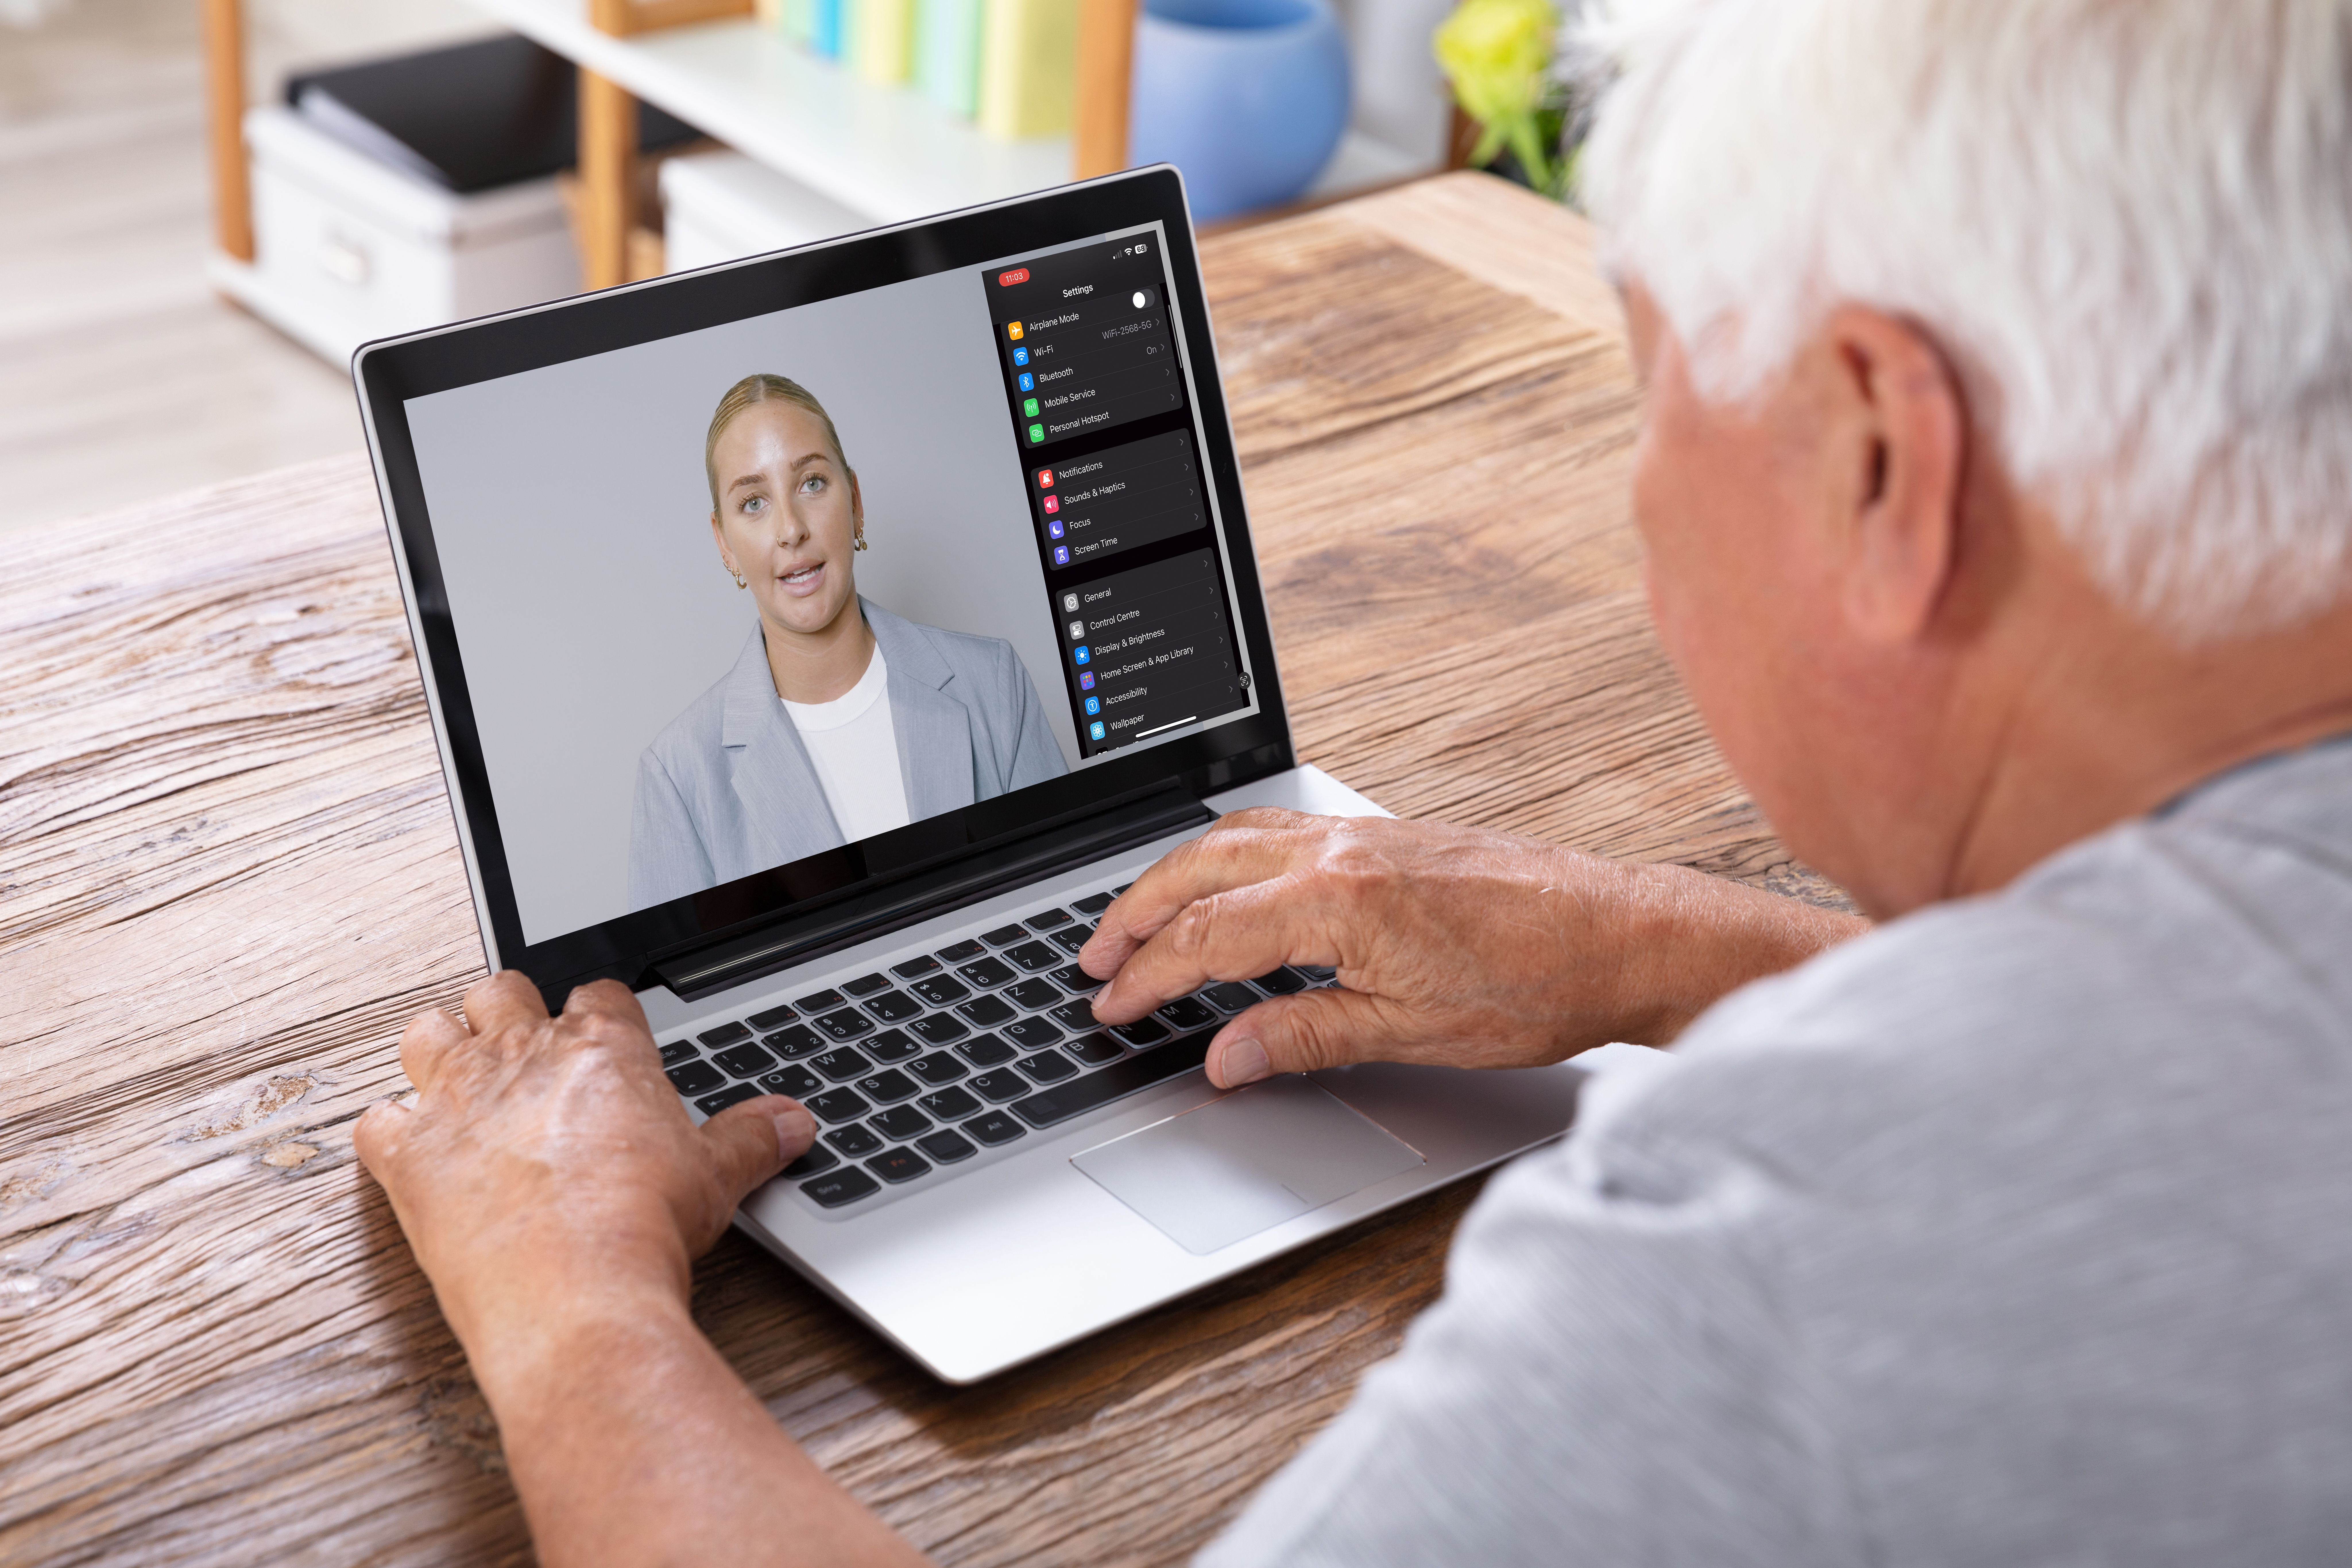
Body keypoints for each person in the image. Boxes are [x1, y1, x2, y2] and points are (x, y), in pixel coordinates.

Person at [354, 1, 2352, 1563]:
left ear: (1875, 463)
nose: (1644, 484)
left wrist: (568, 1308)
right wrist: (1664, 949)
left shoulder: (1785, 1252)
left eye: (1643, 385)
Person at [627, 373, 1067, 908]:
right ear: (725, 544)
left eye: (811, 483)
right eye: (753, 503)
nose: (791, 529)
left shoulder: (994, 682)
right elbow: (682, 987)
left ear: (855, 501)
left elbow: (1068, 895)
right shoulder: (678, 776)